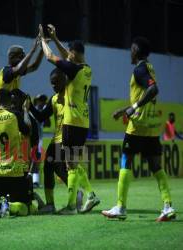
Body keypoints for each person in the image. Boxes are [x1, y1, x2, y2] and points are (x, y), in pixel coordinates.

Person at [102, 37, 176, 222]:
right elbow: (146, 94)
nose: (130, 51)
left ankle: (120, 206)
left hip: (137, 127)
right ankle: (167, 206)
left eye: (132, 48)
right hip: (151, 127)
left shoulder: (140, 69)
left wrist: (133, 108)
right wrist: (125, 109)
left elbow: (153, 90)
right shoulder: (149, 68)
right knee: (155, 166)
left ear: (137, 51)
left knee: (126, 161)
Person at [39, 24, 95, 214]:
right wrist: (55, 39)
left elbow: (50, 57)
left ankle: (71, 205)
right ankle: (90, 195)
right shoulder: (86, 69)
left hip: (71, 122)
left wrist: (42, 42)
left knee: (70, 164)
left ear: (75, 53)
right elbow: (67, 56)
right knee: (74, 163)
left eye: (70, 53)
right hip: (83, 122)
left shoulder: (73, 69)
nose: (67, 56)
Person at [30, 68, 100, 214]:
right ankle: (78, 195)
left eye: (56, 82)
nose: (54, 86)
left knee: (67, 166)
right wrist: (29, 106)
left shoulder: (73, 94)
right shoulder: (54, 99)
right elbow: (42, 117)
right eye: (52, 84)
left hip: (68, 136)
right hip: (57, 138)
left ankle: (76, 198)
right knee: (53, 167)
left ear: (64, 80)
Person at [0, 89, 39, 218]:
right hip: (14, 172)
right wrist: (26, 110)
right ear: (9, 101)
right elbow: (27, 130)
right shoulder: (14, 115)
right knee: (25, 208)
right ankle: (9, 205)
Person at [0, 37, 43, 113]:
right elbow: (19, 68)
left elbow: (34, 67)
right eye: (22, 57)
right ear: (12, 57)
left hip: (8, 112)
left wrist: (42, 49)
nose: (24, 59)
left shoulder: (17, 73)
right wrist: (32, 51)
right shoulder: (6, 72)